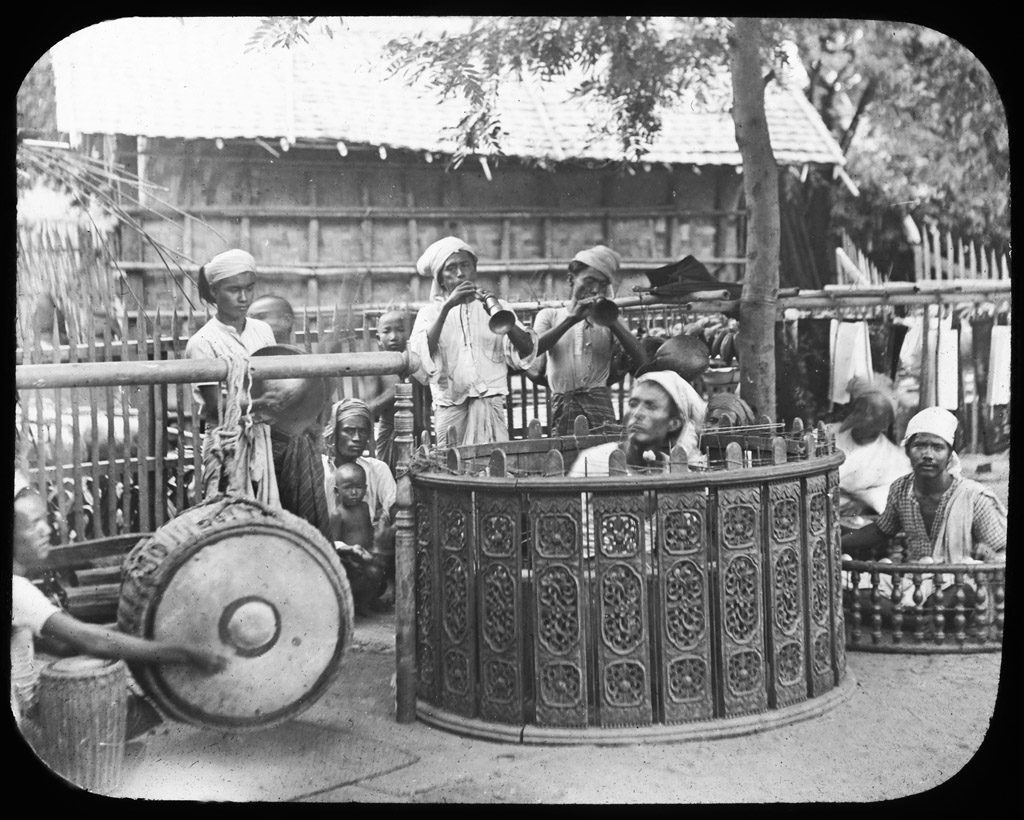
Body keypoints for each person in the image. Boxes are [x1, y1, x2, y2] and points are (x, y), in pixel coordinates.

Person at [12, 473, 227, 745]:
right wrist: (182, 653)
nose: (47, 529)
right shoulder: (16, 590)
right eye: (33, 524)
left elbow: (64, 645)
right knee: (154, 703)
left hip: (31, 710)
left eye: (44, 519)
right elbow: (91, 641)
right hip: (30, 721)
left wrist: (152, 627)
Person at [840, 407, 1006, 619]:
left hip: (956, 582)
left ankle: (911, 616)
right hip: (916, 579)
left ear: (949, 455)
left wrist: (989, 555)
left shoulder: (974, 497)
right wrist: (837, 542)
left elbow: (1002, 552)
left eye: (937, 447)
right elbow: (882, 530)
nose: (927, 455)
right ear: (907, 450)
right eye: (919, 446)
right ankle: (920, 616)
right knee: (848, 584)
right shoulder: (901, 489)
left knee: (962, 592)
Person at [408, 237, 537, 448]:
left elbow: (527, 349)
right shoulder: (429, 313)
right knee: (451, 468)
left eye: (465, 265)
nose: (460, 273)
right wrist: (446, 308)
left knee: (496, 466)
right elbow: (420, 360)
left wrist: (501, 315)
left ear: (474, 270)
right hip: (451, 409)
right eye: (451, 268)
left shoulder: (498, 306)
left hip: (491, 405)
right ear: (440, 279)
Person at [184, 248, 279, 505]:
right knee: (225, 512)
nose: (244, 297)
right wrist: (263, 404)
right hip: (225, 441)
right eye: (234, 290)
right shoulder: (203, 342)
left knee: (263, 513)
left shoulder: (262, 331)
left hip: (261, 437)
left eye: (249, 288)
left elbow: (271, 380)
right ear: (214, 291)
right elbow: (215, 406)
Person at [531, 245, 647, 436]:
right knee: (565, 462)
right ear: (571, 279)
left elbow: (641, 360)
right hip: (563, 405)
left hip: (599, 404)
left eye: (602, 285)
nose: (594, 289)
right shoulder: (550, 315)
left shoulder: (611, 319)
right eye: (589, 281)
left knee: (604, 460)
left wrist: (612, 322)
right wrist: (571, 320)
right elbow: (532, 350)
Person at [322, 398, 398, 613]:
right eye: (349, 431)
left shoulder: (376, 469)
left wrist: (387, 532)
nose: (357, 438)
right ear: (334, 432)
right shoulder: (320, 469)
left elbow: (397, 511)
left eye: (363, 432)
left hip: (367, 553)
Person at [568, 370, 706, 476]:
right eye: (633, 404)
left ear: (674, 423)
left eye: (651, 406)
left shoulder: (677, 473)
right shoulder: (593, 462)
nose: (637, 413)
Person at [829, 377, 911, 517]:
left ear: (885, 424)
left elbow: (894, 494)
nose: (861, 417)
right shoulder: (827, 433)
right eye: (859, 410)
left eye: (871, 413)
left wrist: (863, 505)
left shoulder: (895, 459)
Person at [362, 308, 430, 473]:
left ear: (409, 333)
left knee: (419, 475)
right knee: (390, 474)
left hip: (418, 430)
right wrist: (397, 391)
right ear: (379, 339)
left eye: (400, 330)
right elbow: (372, 407)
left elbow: (427, 399)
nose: (394, 337)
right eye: (387, 331)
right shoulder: (378, 368)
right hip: (390, 431)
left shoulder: (415, 363)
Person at [327, 462, 383, 615]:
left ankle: (371, 599)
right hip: (349, 559)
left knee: (380, 570)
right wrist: (350, 550)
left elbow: (368, 529)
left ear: (365, 489)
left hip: (366, 553)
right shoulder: (338, 514)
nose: (353, 493)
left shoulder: (364, 507)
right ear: (337, 491)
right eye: (348, 488)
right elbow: (334, 543)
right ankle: (362, 604)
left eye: (358, 488)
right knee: (370, 573)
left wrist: (375, 541)